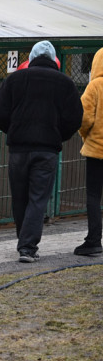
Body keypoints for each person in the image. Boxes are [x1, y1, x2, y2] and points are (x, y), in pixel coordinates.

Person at [0, 40, 83, 263]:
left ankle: (23, 242)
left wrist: (13, 131)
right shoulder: (66, 83)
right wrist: (57, 135)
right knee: (38, 198)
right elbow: (74, 117)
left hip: (18, 149)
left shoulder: (14, 80)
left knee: (20, 197)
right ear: (53, 59)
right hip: (47, 150)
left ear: (31, 58)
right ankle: (27, 246)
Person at [76, 47, 103, 256]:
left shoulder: (95, 86)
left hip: (97, 151)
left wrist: (85, 136)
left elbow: (84, 118)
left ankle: (93, 240)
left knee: (94, 195)